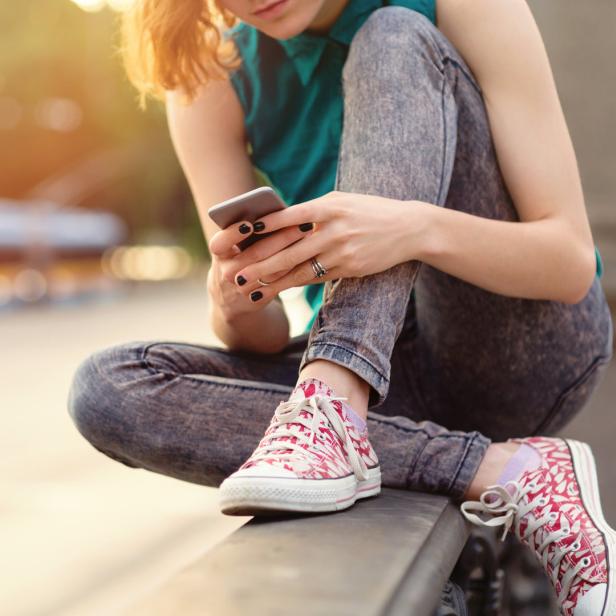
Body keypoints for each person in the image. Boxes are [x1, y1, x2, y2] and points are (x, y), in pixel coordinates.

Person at [67, 1, 615, 613]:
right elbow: (262, 334)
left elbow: (568, 263)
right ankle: (505, 472)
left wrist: (412, 229)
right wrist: (236, 297)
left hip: (518, 348)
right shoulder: (211, 71)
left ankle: (333, 403)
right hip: (388, 391)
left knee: (394, 36)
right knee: (107, 388)